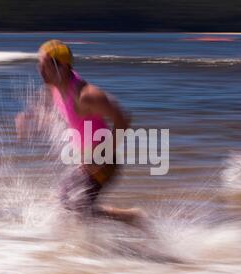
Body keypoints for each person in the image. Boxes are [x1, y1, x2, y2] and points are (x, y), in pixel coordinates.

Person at [15, 39, 144, 224]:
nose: (40, 70)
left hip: (103, 163)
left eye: (44, 66)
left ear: (63, 67)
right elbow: (47, 105)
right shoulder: (55, 86)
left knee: (75, 210)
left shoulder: (87, 96)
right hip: (85, 161)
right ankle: (127, 219)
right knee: (64, 204)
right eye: (39, 65)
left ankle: (131, 219)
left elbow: (123, 119)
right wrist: (29, 117)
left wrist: (100, 156)